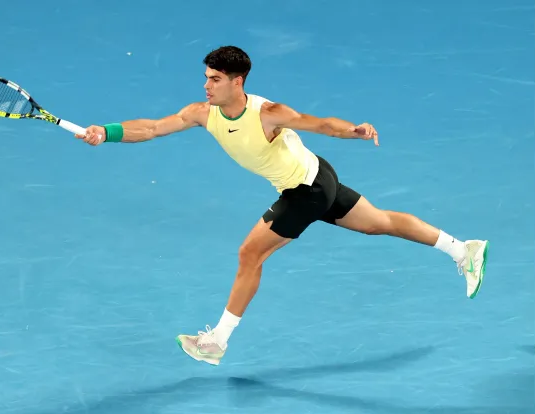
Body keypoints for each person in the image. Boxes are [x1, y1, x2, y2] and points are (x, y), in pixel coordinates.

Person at [75, 45, 489, 366]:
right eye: (206, 77)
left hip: (305, 191)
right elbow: (150, 128)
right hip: (317, 177)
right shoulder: (202, 113)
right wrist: (105, 132)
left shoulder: (268, 114)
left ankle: (216, 341)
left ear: (238, 82)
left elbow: (318, 123)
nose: (206, 86)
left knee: (249, 253)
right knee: (378, 221)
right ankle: (462, 249)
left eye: (215, 79)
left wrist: (355, 130)